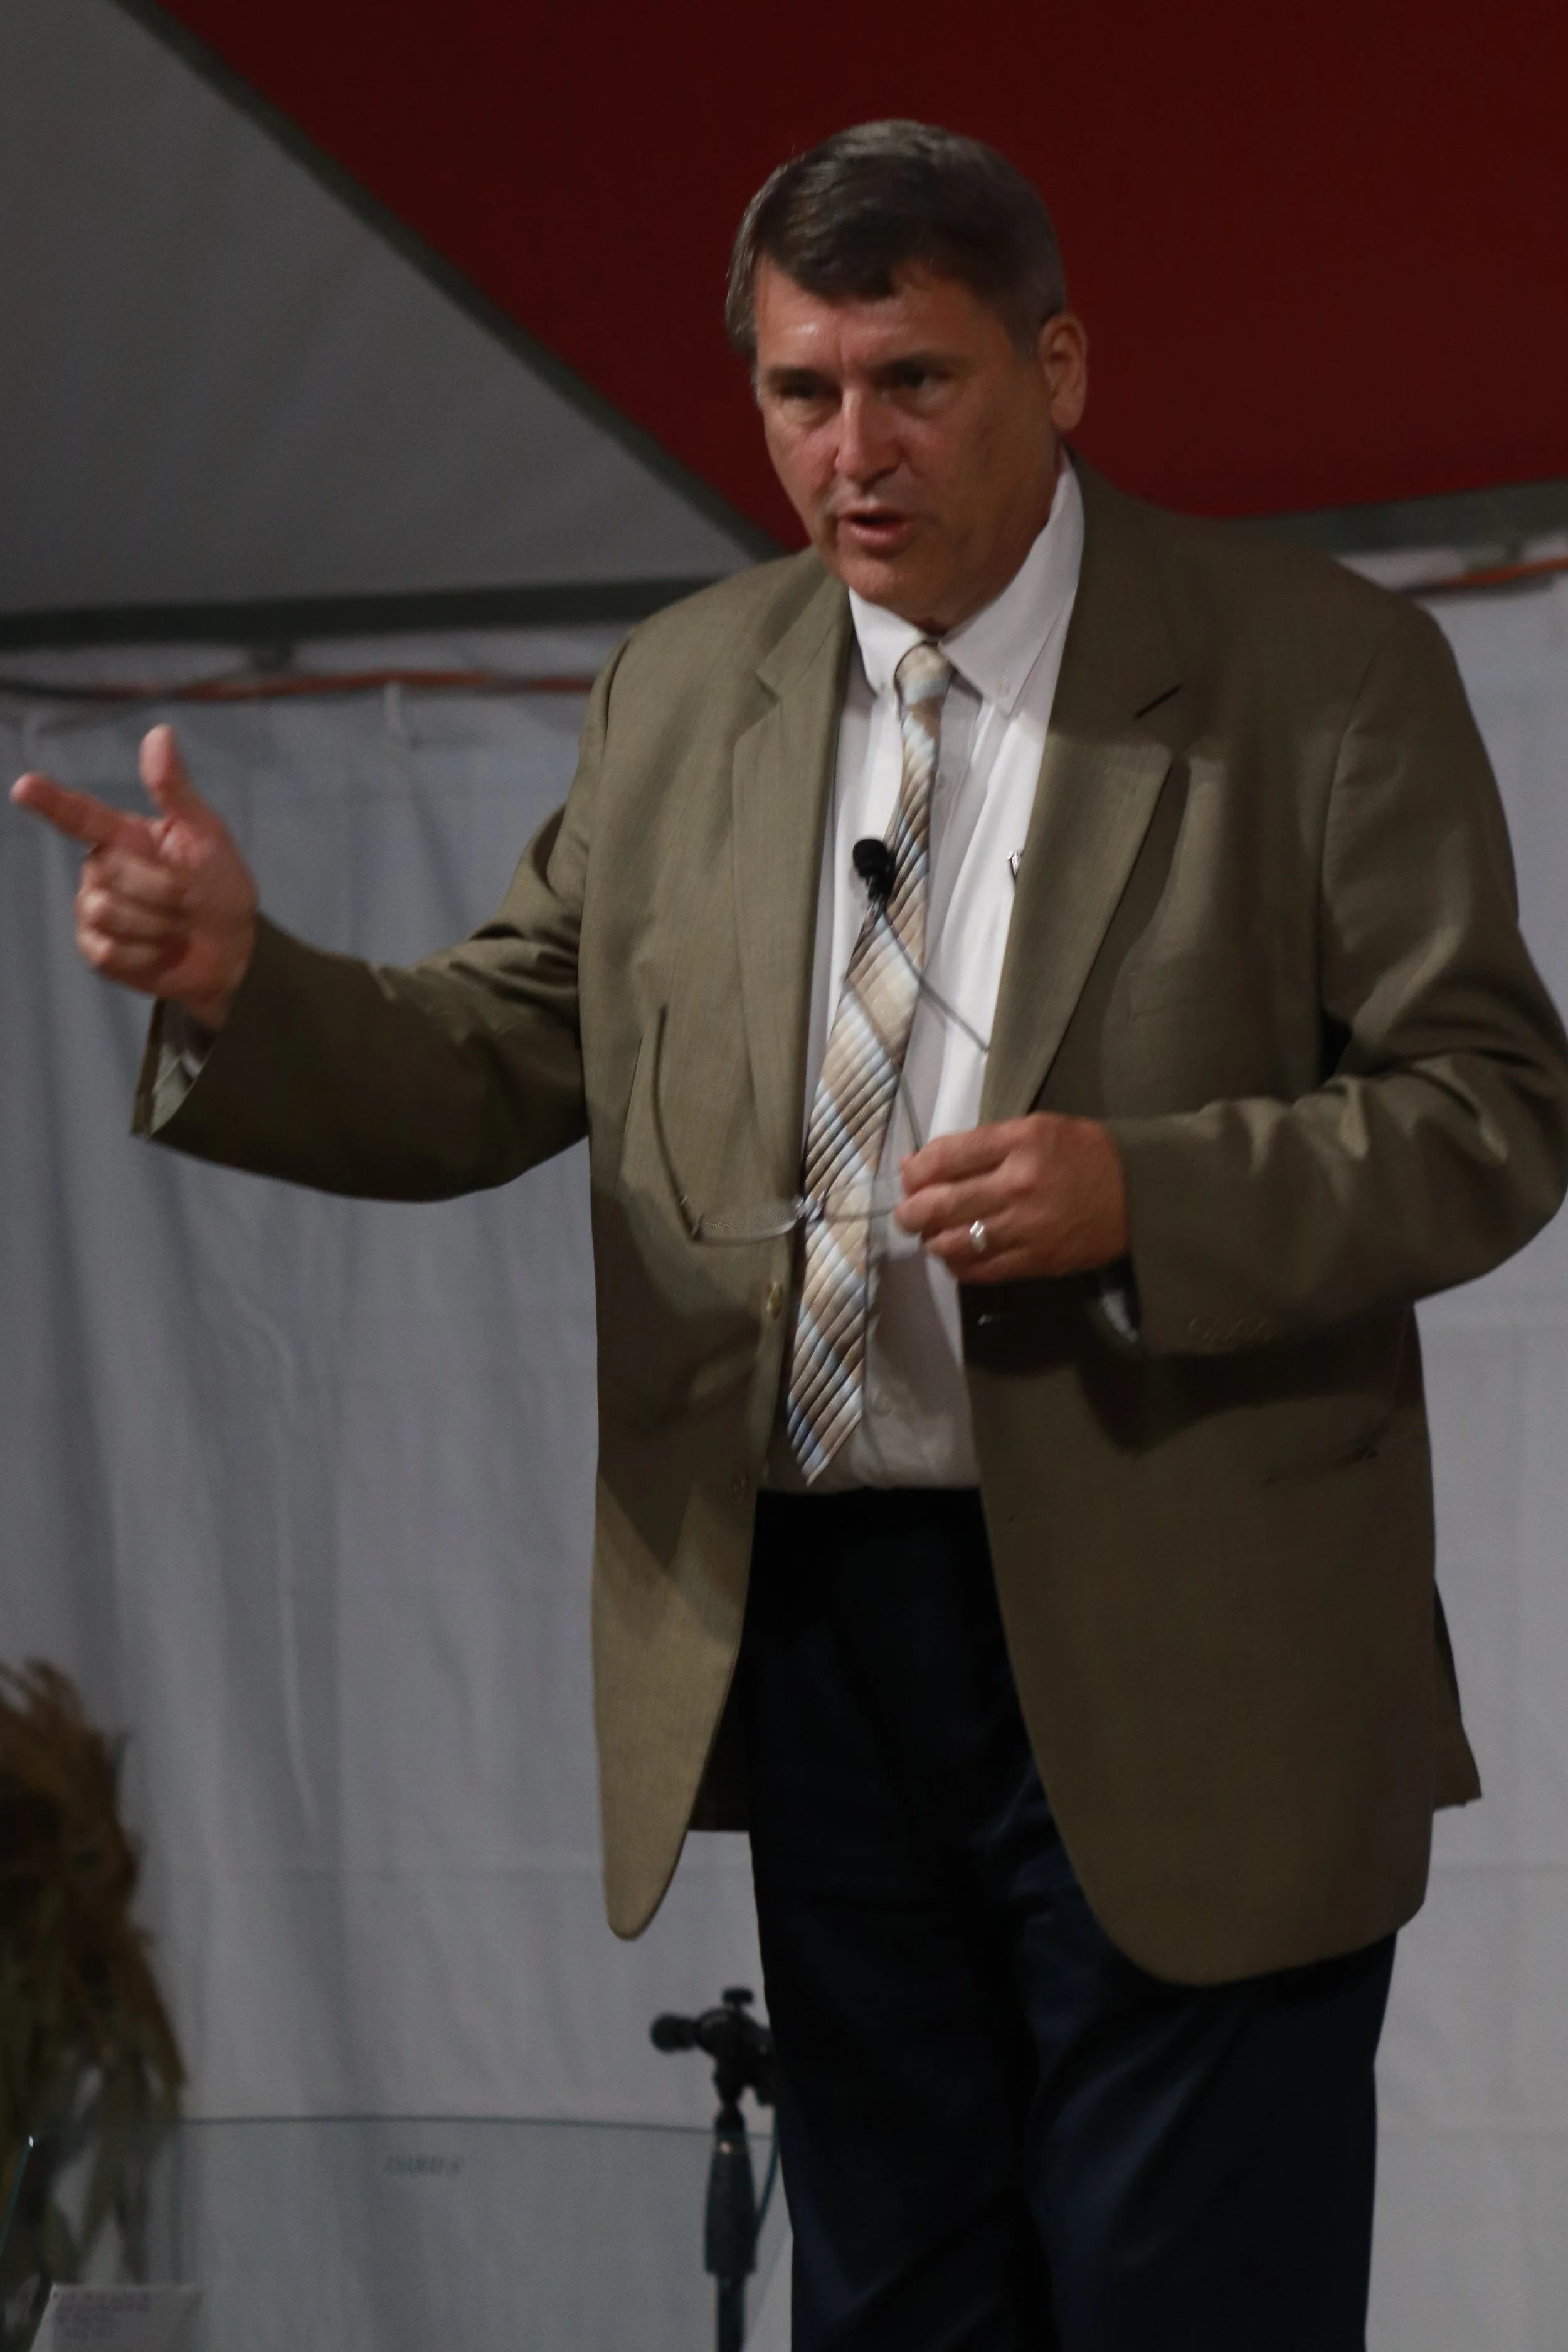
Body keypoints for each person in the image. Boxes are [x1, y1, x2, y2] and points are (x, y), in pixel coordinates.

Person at [14, 120, 1568, 2351]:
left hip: (1195, 1651)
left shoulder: (1311, 671)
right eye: (798, 391)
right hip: (824, 1633)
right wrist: (247, 990)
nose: (852, 450)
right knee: (892, 2305)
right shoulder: (684, 690)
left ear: (1057, 368)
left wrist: (1148, 1191)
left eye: (913, 381)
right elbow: (496, 1045)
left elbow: (1488, 1111)